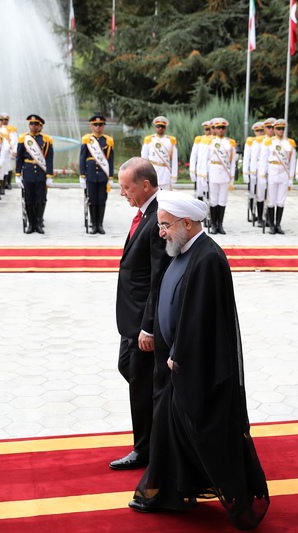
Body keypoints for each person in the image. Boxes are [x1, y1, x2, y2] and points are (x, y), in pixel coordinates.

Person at [130, 190, 269, 530]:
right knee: (169, 428)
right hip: (173, 364)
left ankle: (234, 491)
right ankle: (173, 490)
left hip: (193, 368)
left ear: (187, 224)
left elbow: (202, 321)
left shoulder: (207, 259)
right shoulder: (182, 249)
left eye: (165, 225)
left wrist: (180, 355)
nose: (160, 232)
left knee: (204, 433)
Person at [110, 157, 169, 472]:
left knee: (142, 383)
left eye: (126, 187)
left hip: (143, 323)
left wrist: (148, 327)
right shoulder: (144, 212)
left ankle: (145, 448)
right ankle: (158, 433)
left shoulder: (160, 216)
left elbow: (158, 278)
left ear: (145, 185)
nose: (122, 193)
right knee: (134, 375)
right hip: (130, 318)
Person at [16, 114, 54, 234]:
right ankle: (31, 224)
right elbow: (19, 158)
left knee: (40, 199)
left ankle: (38, 223)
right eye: (31, 124)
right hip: (28, 172)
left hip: (41, 173)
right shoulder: (23, 138)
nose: (33, 126)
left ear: (40, 127)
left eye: (36, 124)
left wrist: (49, 175)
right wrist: (17, 174)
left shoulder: (46, 139)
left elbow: (49, 159)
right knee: (29, 199)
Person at [197, 117, 235, 234]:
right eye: (218, 127)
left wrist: (232, 177)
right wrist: (204, 176)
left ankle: (220, 224)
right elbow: (204, 160)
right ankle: (213, 224)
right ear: (215, 129)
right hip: (213, 172)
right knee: (213, 200)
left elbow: (232, 162)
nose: (221, 130)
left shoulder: (230, 143)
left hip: (224, 173)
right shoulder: (209, 142)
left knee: (222, 200)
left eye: (223, 127)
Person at [257, 118, 295, 234]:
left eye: (282, 129)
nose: (281, 131)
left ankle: (278, 224)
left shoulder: (289, 143)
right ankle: (271, 225)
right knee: (271, 200)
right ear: (274, 130)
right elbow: (263, 160)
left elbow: (292, 161)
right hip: (272, 172)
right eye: (278, 128)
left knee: (281, 201)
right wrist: (262, 176)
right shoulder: (268, 142)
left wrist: (291, 178)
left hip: (284, 173)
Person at [80, 114, 114, 234]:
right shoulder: (87, 139)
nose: (98, 127)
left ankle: (100, 224)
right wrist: (82, 176)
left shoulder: (108, 140)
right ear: (91, 126)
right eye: (95, 125)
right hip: (91, 175)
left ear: (103, 126)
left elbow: (110, 160)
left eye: (100, 125)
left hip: (103, 175)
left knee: (102, 200)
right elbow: (82, 158)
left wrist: (110, 177)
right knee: (92, 200)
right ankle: (93, 224)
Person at [141, 116, 177, 192]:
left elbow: (174, 160)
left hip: (165, 172)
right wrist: (144, 173)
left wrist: (174, 175)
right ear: (155, 128)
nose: (160, 128)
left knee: (166, 196)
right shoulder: (149, 140)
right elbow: (144, 159)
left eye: (162, 126)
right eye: (158, 126)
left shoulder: (171, 140)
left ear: (165, 128)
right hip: (152, 171)